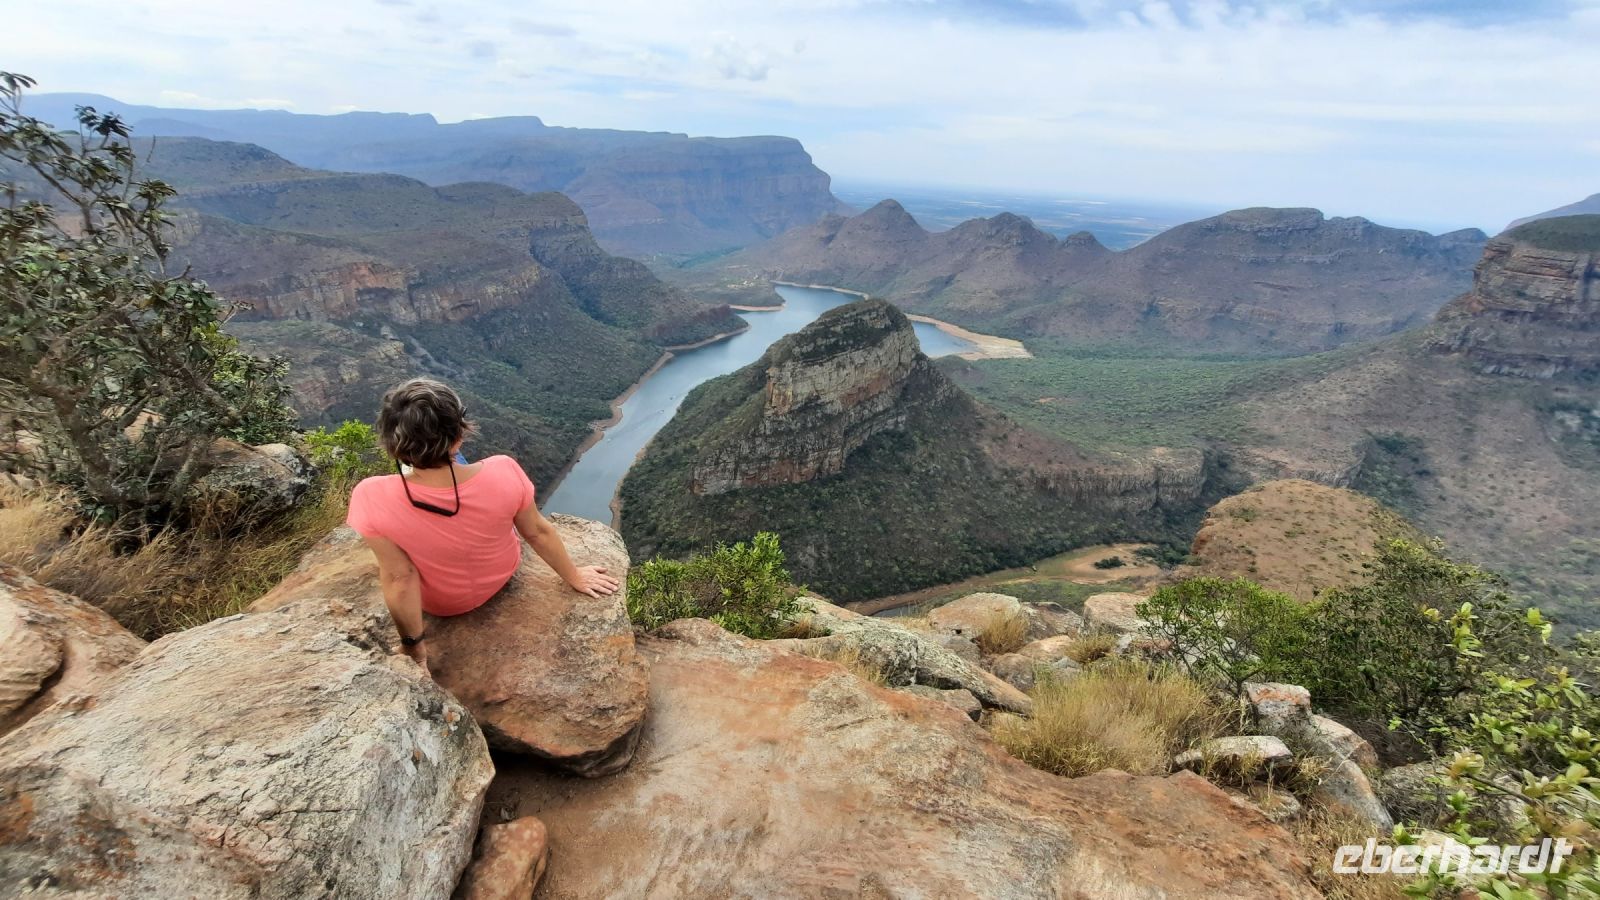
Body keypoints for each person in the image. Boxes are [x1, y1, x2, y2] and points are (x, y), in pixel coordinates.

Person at [345, 378, 619, 674]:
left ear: (392, 444)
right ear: (460, 434)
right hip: (501, 573)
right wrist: (574, 576)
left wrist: (414, 648)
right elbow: (536, 532)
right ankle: (445, 459)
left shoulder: (369, 495)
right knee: (466, 474)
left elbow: (400, 578)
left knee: (413, 507)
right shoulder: (504, 469)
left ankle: (423, 461)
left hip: (441, 604)